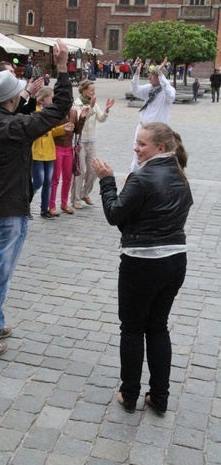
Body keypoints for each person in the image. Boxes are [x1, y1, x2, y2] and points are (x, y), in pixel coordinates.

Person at [0, 38, 73, 359]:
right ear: (14, 99)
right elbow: (59, 108)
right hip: (8, 211)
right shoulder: (17, 127)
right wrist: (63, 68)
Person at [92, 122, 193, 414]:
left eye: (142, 144)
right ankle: (159, 397)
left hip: (142, 263)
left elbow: (115, 215)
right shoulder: (179, 173)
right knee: (158, 327)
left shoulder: (141, 177)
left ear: (160, 148)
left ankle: (130, 393)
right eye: (136, 142)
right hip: (175, 260)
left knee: (133, 329)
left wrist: (107, 180)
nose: (136, 148)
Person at [70, 79, 115, 209]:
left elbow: (101, 118)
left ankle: (85, 193)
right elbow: (81, 120)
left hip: (92, 141)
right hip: (80, 141)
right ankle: (76, 199)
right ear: (84, 91)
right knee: (80, 171)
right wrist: (90, 107)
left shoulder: (94, 103)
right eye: (92, 90)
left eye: (94, 90)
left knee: (94, 170)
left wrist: (106, 109)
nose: (94, 92)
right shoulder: (76, 105)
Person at [32, 87, 74, 219]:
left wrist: (63, 128)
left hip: (49, 151)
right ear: (44, 98)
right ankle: (25, 204)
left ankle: (44, 210)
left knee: (48, 182)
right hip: (37, 151)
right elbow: (31, 130)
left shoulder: (49, 112)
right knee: (38, 181)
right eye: (51, 97)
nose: (53, 99)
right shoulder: (35, 110)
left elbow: (51, 132)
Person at [130, 56, 176, 172]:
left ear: (160, 78)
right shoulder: (149, 89)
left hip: (157, 131)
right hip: (143, 127)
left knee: (155, 156)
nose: (150, 77)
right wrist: (137, 72)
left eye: (153, 75)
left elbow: (169, 93)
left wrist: (160, 74)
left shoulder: (168, 91)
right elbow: (135, 90)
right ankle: (134, 176)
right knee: (137, 154)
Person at [48, 106, 89, 216]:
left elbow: (77, 131)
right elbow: (51, 131)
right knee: (55, 178)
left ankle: (64, 203)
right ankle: (51, 205)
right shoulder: (55, 111)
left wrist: (82, 118)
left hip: (68, 149)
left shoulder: (73, 112)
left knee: (67, 178)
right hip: (57, 147)